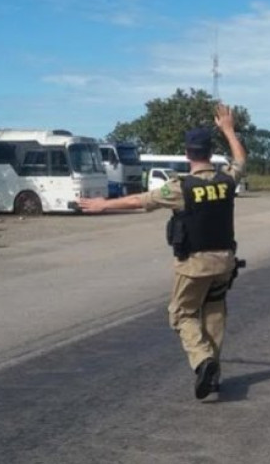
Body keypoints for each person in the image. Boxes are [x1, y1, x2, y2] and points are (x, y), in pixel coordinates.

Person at [78, 103, 246, 399]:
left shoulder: (181, 188)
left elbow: (140, 201)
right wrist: (229, 131)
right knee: (214, 312)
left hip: (194, 265)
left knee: (181, 314)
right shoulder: (226, 180)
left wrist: (103, 204)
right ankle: (214, 371)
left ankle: (203, 361)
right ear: (209, 152)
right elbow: (241, 161)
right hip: (224, 262)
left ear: (187, 154)